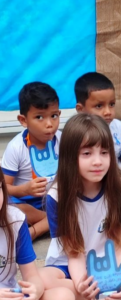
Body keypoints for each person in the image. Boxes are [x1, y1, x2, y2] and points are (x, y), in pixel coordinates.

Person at [38, 114, 121, 300]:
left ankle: (113, 294)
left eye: (104, 152)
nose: (97, 162)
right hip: (69, 268)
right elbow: (73, 254)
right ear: (70, 156)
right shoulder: (57, 195)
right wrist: (80, 285)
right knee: (41, 279)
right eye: (87, 153)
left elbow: (120, 245)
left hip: (112, 266)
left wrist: (120, 281)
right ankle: (104, 295)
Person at [0, 168, 74, 300]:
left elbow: (31, 274)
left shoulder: (15, 220)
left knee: (63, 295)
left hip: (12, 294)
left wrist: (35, 289)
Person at [1, 82, 61, 240]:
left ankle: (32, 232)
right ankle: (53, 221)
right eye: (39, 117)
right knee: (6, 206)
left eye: (54, 115)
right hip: (26, 203)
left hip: (55, 199)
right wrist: (24, 190)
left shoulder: (63, 139)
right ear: (23, 120)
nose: (49, 124)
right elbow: (4, 186)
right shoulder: (16, 147)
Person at [74, 72, 121, 173]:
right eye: (99, 106)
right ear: (80, 109)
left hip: (117, 178)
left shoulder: (117, 126)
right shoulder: (75, 133)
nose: (108, 112)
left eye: (111, 104)